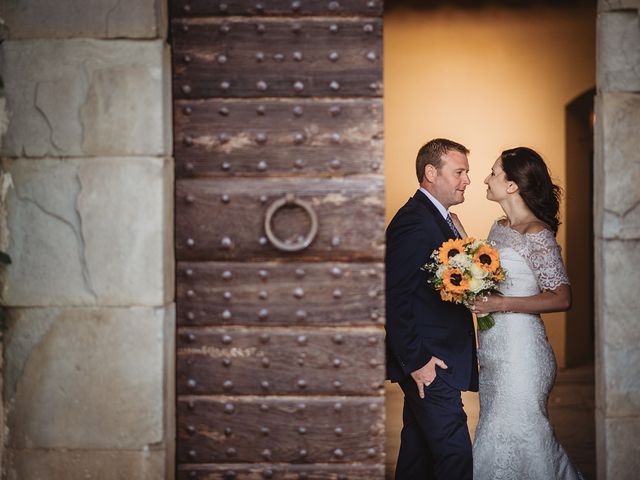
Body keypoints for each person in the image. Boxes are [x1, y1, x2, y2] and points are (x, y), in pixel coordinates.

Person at [468, 147, 583, 479]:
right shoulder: (499, 227)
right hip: (494, 353)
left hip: (521, 357)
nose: (486, 180)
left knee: (522, 436)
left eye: (493, 173)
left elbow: (562, 297)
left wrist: (500, 305)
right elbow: (492, 282)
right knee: (496, 431)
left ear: (513, 185)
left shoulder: (537, 233)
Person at [385, 138, 479, 480]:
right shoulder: (414, 222)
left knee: (417, 455)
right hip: (430, 362)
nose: (466, 179)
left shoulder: (442, 219)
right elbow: (393, 297)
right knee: (454, 454)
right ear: (430, 172)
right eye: (459, 172)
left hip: (439, 358)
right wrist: (417, 361)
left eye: (466, 172)